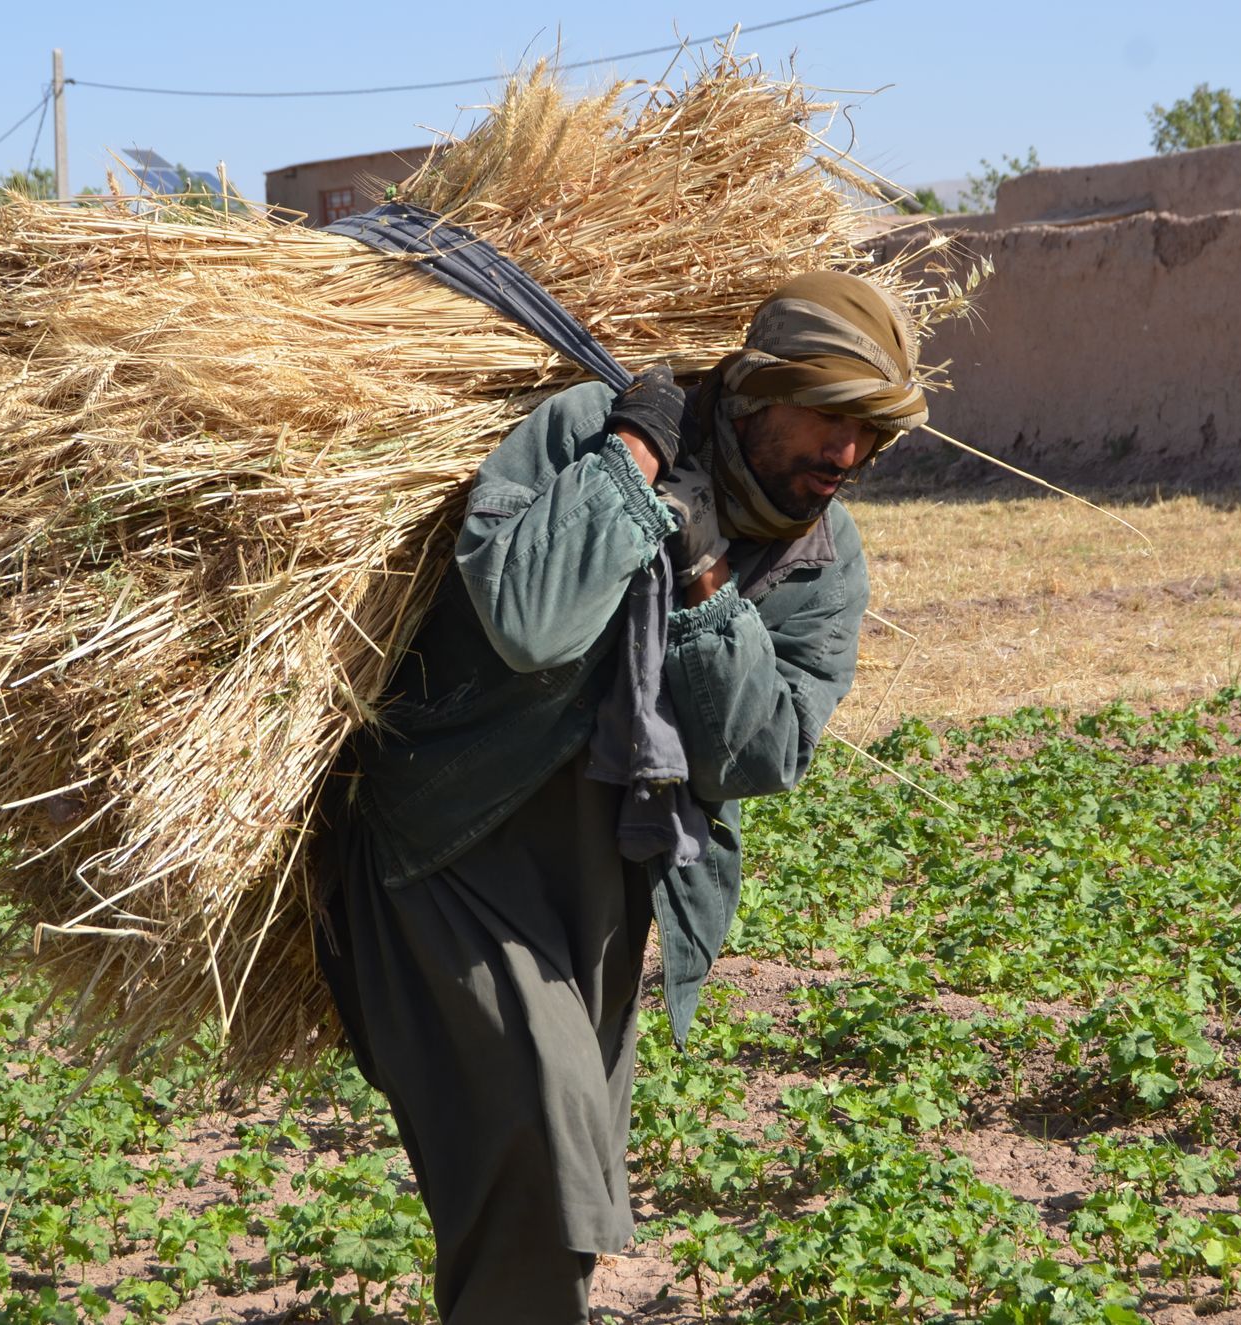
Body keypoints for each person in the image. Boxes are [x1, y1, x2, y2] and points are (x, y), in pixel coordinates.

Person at [315, 270, 927, 1323]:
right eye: (829, 416)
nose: (846, 454)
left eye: (869, 432)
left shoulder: (821, 554)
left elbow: (763, 750)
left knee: (561, 1192)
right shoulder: (588, 433)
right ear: (757, 388)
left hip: (602, 894)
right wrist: (630, 468)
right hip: (451, 849)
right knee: (545, 1169)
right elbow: (526, 619)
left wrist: (703, 589)